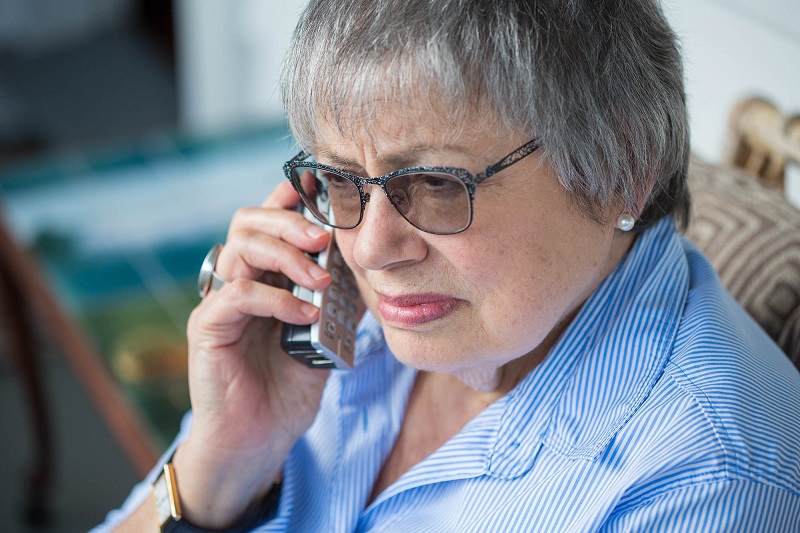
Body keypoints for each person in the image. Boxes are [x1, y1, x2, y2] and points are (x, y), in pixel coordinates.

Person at [95, 0, 800, 531]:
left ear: (620, 169)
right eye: (341, 180)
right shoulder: (325, 331)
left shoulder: (707, 482)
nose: (368, 249)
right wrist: (219, 468)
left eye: (436, 183)